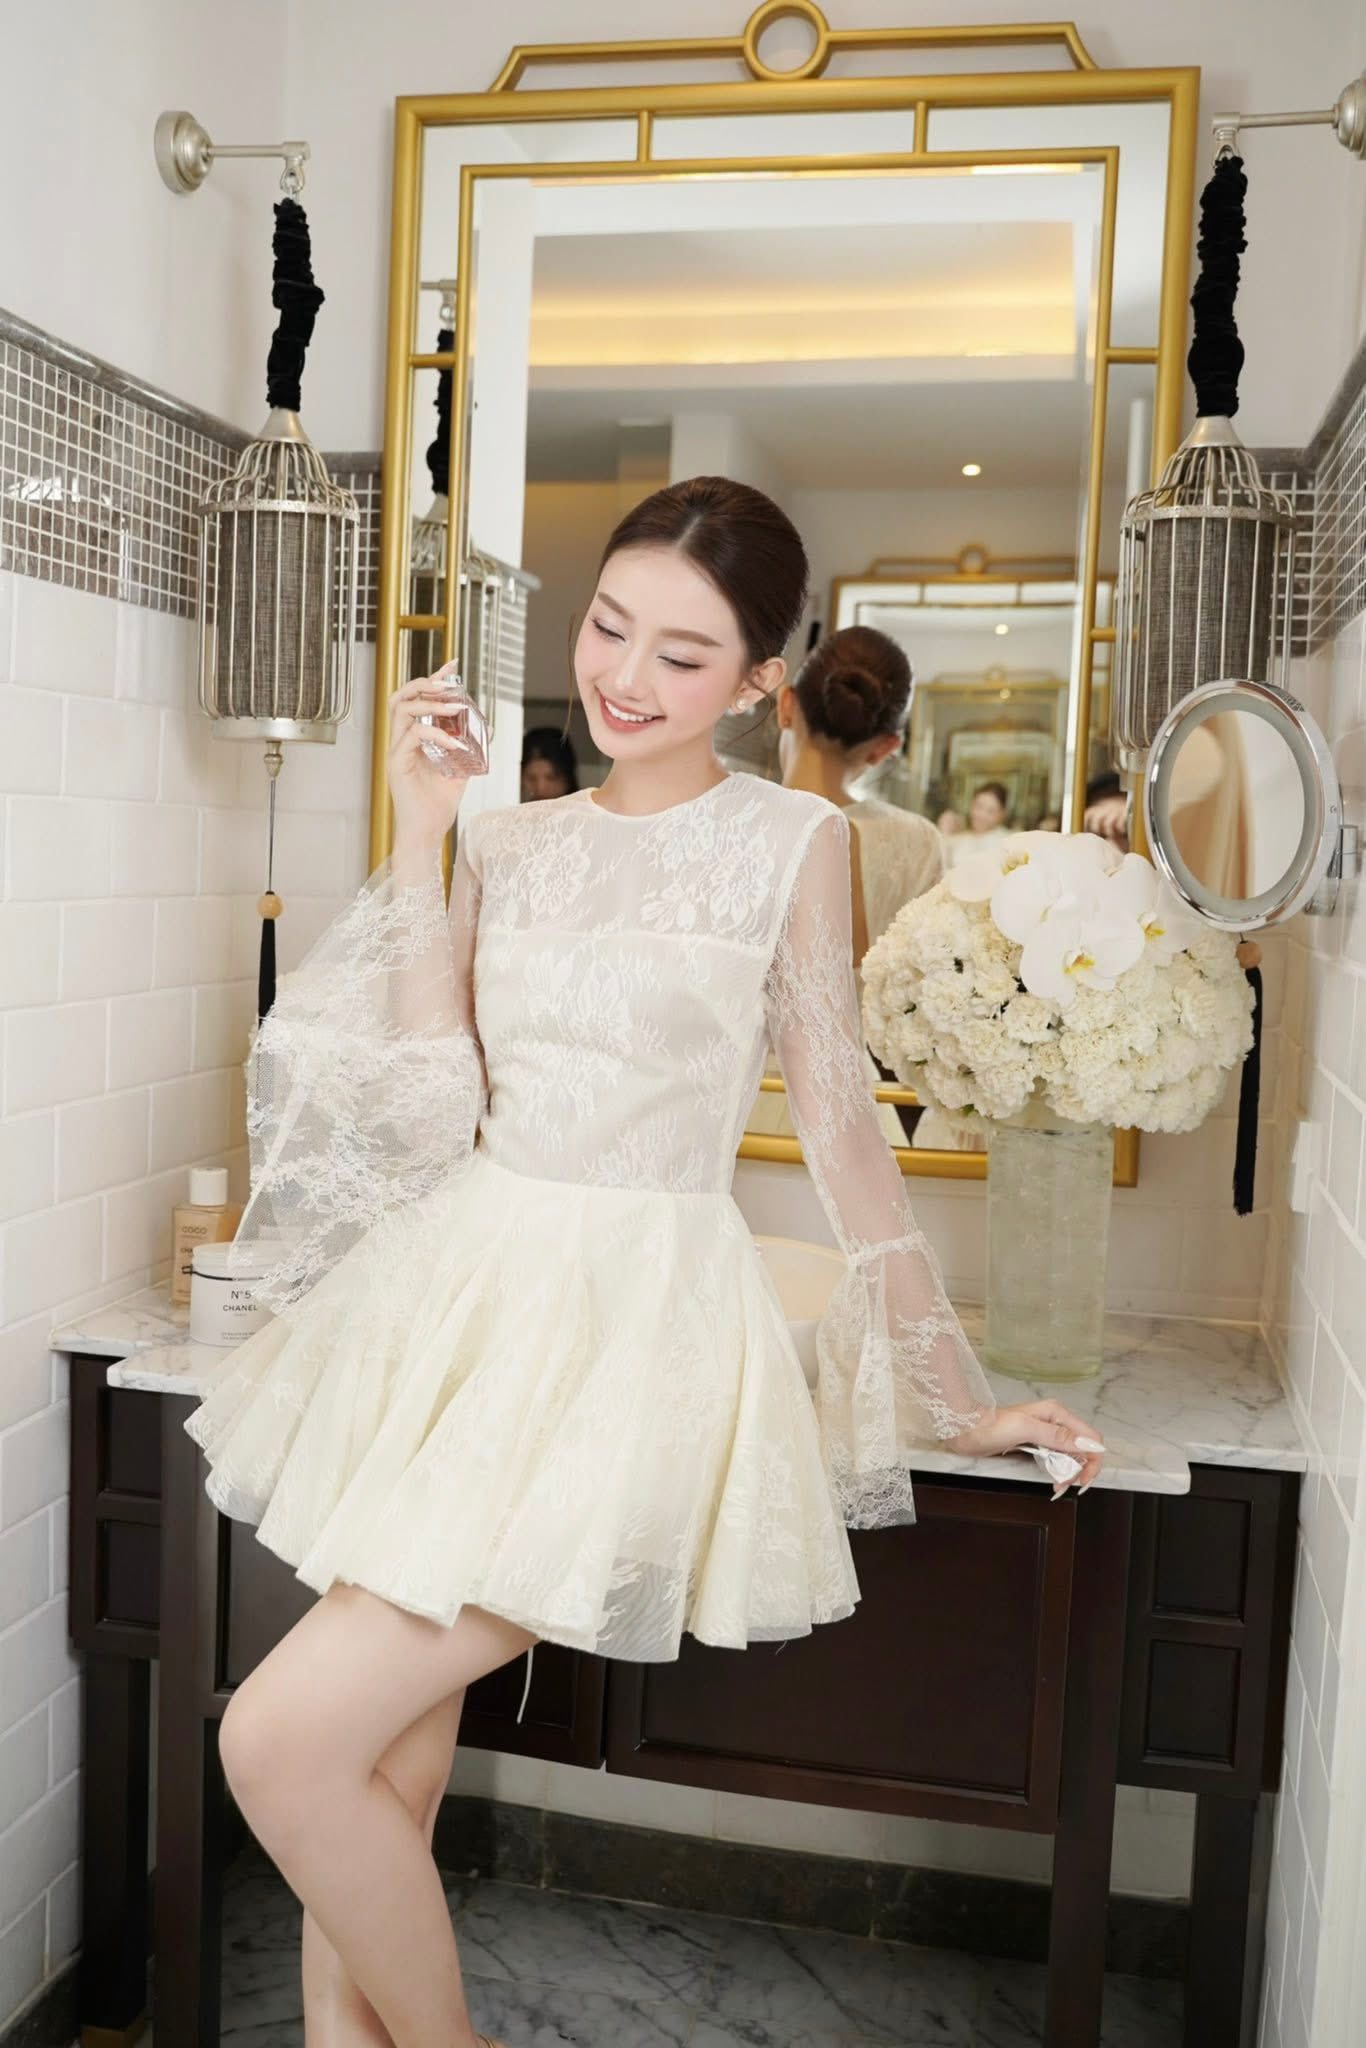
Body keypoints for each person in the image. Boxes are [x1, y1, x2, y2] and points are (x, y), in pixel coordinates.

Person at [181, 476, 1105, 2048]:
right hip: (458, 1308)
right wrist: (420, 831)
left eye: (680, 656)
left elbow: (843, 1135)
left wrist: (957, 1396)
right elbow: (433, 1097)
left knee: (277, 1743)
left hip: (629, 1336)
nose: (622, 676)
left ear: (757, 680)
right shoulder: (509, 841)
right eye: (607, 627)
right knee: (386, 1766)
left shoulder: (793, 841)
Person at [746, 625, 942, 1147]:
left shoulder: (728, 825)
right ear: (885, 748)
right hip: (849, 1107)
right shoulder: (916, 843)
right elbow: (922, 1006)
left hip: (733, 1098)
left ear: (786, 705)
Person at [944, 779, 1012, 868]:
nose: (982, 815)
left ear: (1002, 814)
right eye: (979, 806)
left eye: (991, 811)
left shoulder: (1007, 843)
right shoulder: (961, 839)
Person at [520, 725, 579, 801]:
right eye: (531, 778)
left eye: (551, 778)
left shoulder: (584, 807)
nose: (540, 788)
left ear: (568, 779)